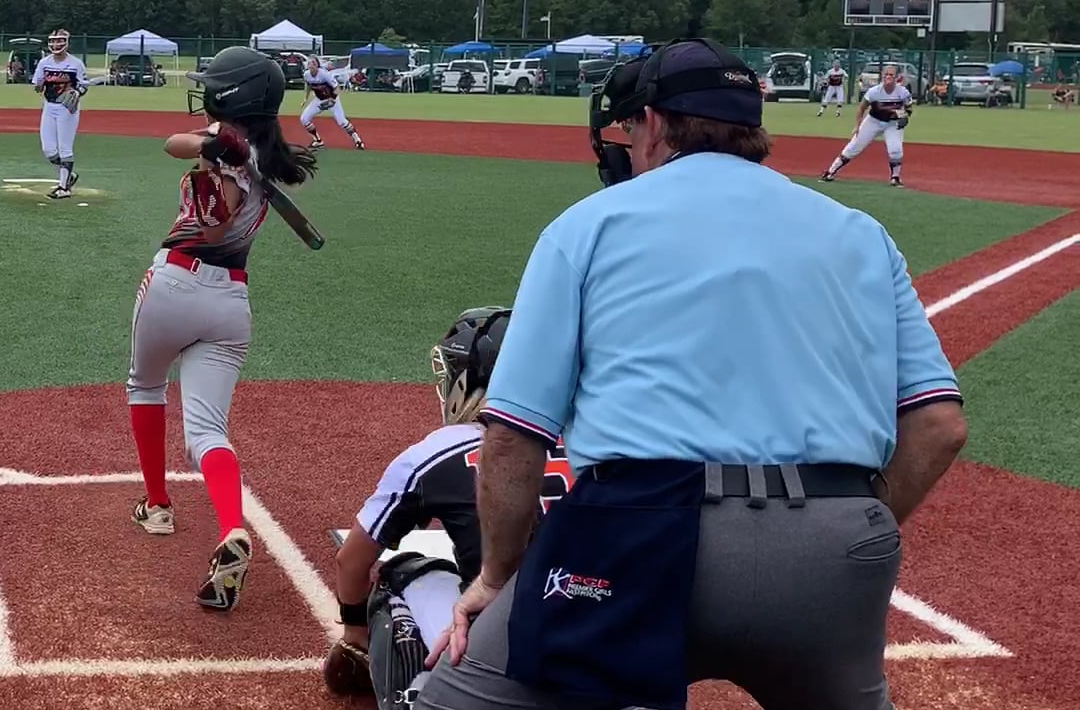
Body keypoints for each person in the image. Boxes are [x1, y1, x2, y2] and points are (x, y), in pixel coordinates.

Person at [415, 38, 968, 710]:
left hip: (637, 535)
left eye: (629, 129)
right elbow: (939, 426)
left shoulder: (589, 225)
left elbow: (512, 437)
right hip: (834, 541)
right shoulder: (860, 233)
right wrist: (857, 524)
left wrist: (497, 576)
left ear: (652, 123)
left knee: (454, 698)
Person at [125, 46, 316, 611]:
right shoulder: (265, 154)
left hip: (175, 283)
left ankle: (157, 506)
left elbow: (207, 217)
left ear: (229, 96)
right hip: (231, 302)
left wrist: (218, 156)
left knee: (145, 385)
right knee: (207, 431)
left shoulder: (240, 156)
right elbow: (179, 144)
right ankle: (232, 525)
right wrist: (215, 145)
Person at [324, 306, 572, 710]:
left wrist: (355, 634)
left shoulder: (440, 450)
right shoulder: (597, 441)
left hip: (505, 649)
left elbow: (350, 561)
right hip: (605, 633)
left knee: (398, 575)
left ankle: (424, 695)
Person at [821, 65, 912, 187]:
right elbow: (861, 108)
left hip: (892, 123)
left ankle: (895, 177)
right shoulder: (874, 91)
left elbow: (909, 109)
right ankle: (830, 172)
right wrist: (858, 125)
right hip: (873, 121)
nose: (888, 77)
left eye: (891, 75)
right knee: (854, 146)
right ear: (882, 76)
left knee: (895, 149)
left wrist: (904, 117)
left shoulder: (903, 92)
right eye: (886, 74)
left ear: (897, 77)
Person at [32, 29, 89, 200]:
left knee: (65, 147)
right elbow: (37, 87)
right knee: (48, 149)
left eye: (60, 41)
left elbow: (84, 85)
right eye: (53, 41)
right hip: (49, 106)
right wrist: (39, 84)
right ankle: (69, 175)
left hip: (67, 108)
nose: (56, 44)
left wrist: (77, 93)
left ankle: (64, 187)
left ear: (67, 42)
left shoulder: (76, 64)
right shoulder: (44, 63)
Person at [300, 55, 365, 150]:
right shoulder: (307, 75)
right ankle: (318, 141)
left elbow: (337, 88)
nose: (311, 65)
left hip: (332, 98)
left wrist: (333, 99)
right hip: (319, 100)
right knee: (304, 119)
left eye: (313, 63)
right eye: (309, 63)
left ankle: (358, 140)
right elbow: (309, 85)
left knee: (342, 121)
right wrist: (306, 98)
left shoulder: (324, 74)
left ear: (317, 65)